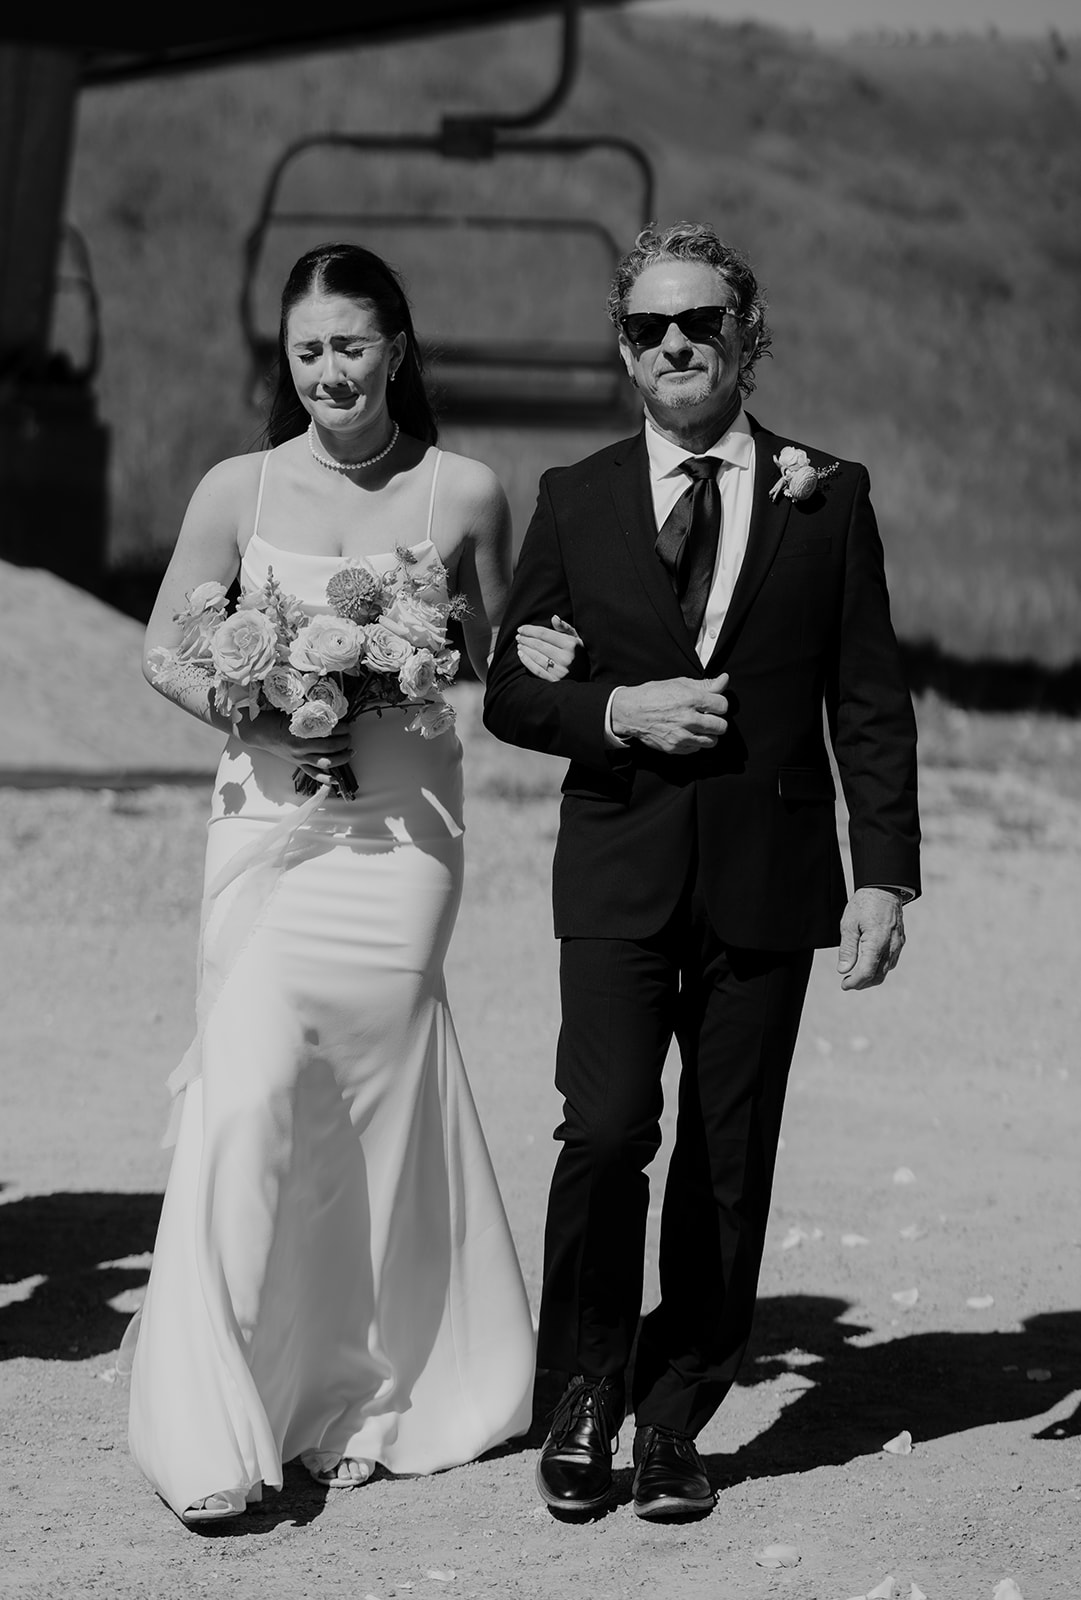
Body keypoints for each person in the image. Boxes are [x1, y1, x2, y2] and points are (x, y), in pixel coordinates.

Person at [125, 242, 578, 1525]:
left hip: (405, 832)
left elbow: (500, 663)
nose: (329, 371)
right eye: (308, 348)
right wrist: (251, 709)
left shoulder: (467, 491)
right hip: (267, 824)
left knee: (377, 1098)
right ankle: (218, 1419)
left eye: (352, 345)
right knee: (253, 1087)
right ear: (289, 357)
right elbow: (164, 644)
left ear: (398, 348)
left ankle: (375, 1391)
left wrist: (534, 644)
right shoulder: (238, 486)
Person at [483, 222, 921, 1520]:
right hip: (615, 871)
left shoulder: (826, 492)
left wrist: (883, 874)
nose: (673, 344)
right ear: (623, 351)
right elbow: (511, 685)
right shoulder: (575, 495)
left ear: (747, 340)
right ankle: (581, 1391)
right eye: (647, 328)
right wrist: (615, 714)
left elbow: (871, 696)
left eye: (700, 324)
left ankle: (676, 1414)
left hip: (769, 875)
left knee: (728, 1157)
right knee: (606, 1130)